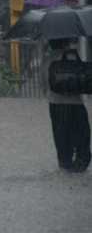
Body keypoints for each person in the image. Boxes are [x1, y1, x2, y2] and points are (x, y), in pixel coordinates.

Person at [43, 39, 91, 172]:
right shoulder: (73, 55)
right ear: (66, 43)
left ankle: (65, 163)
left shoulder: (48, 59)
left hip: (56, 104)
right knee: (82, 134)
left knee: (61, 135)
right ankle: (82, 162)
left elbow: (44, 85)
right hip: (76, 103)